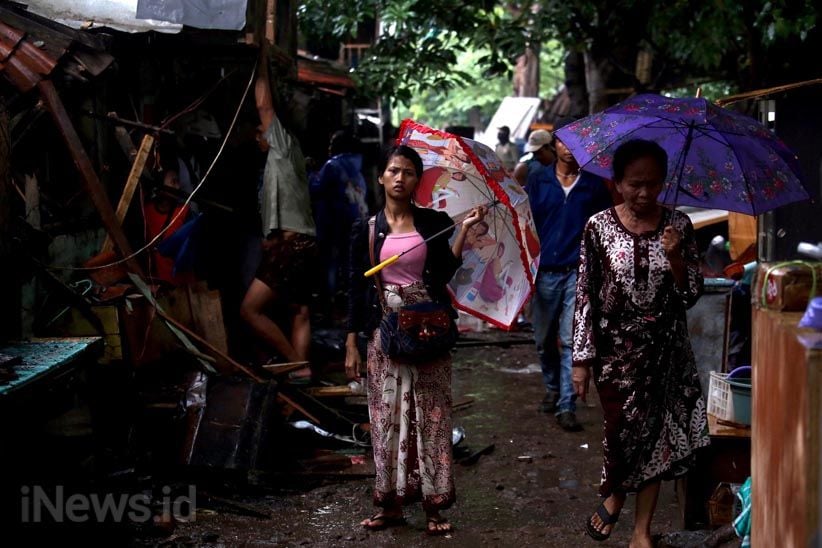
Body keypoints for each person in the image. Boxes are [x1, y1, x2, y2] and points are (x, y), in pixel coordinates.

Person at [572, 139, 709, 546]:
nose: (644, 193)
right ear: (617, 183)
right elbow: (585, 295)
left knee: (658, 438)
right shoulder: (597, 227)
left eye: (652, 184)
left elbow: (691, 295)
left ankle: (641, 531)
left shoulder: (679, 226)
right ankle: (614, 496)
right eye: (635, 184)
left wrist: (676, 259)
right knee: (621, 432)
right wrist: (581, 359)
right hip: (616, 356)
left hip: (667, 352)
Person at [345, 144, 486, 536]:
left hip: (428, 331)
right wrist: (351, 342)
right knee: (386, 421)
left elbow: (442, 273)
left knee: (432, 419)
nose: (400, 178)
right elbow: (355, 290)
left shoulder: (434, 222)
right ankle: (390, 505)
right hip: (385, 334)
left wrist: (463, 231)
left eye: (408, 172)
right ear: (381, 177)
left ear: (415, 180)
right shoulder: (367, 228)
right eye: (393, 170)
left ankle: (434, 507)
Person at [525, 117, 612, 432]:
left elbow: (604, 228)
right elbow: (526, 226)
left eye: (576, 143)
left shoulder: (593, 186)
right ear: (554, 145)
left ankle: (566, 405)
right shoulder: (538, 181)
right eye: (563, 142)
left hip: (578, 271)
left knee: (569, 340)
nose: (569, 149)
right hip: (544, 272)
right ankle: (552, 386)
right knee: (543, 339)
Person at [240, 49, 317, 365]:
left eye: (259, 133)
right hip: (303, 243)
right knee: (299, 312)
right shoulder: (291, 155)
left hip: (293, 245)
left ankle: (294, 363)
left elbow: (264, 105)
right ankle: (301, 377)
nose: (258, 138)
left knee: (249, 309)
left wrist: (259, 57)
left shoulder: (282, 147)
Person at [310, 130, 369, 322]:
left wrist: (309, 173)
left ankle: (330, 305)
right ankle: (349, 307)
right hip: (354, 223)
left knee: (330, 266)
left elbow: (316, 188)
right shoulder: (358, 170)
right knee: (349, 265)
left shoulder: (332, 165)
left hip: (333, 224)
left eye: (331, 143)